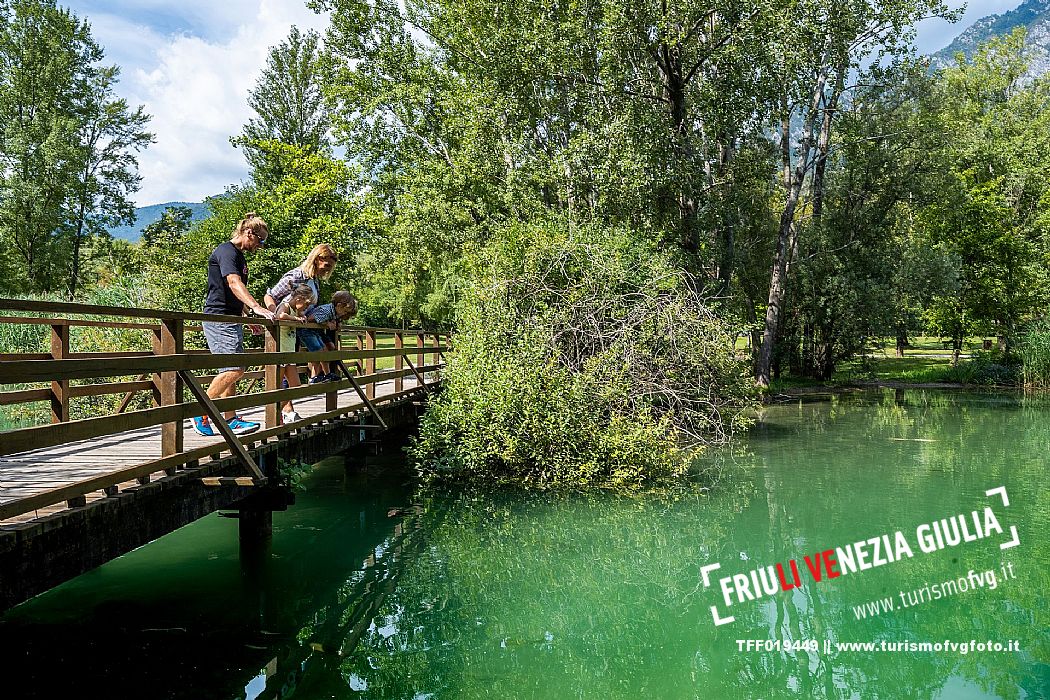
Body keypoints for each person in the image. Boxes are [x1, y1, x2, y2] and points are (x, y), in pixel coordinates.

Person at [192, 213, 276, 437]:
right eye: (260, 241)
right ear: (249, 233)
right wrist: (258, 308)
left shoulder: (238, 256)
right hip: (218, 318)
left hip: (230, 317)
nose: (260, 246)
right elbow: (233, 282)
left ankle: (230, 419)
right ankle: (200, 412)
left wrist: (247, 317)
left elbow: (232, 293)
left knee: (229, 369)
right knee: (235, 368)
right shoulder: (227, 251)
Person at [264, 244, 338, 398]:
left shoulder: (315, 281)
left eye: (330, 267)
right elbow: (270, 295)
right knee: (283, 368)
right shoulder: (297, 276)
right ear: (317, 259)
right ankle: (282, 411)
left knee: (291, 368)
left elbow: (310, 309)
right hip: (285, 330)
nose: (327, 270)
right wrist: (275, 317)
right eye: (326, 265)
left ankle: (286, 410)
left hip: (299, 329)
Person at [273, 283, 317, 423]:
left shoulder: (295, 309)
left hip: (290, 350)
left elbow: (299, 313)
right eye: (306, 305)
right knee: (277, 385)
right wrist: (295, 319)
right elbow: (279, 315)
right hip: (280, 350)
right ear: (299, 298)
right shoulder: (285, 305)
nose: (306, 308)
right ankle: (275, 416)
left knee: (295, 384)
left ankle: (280, 409)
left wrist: (302, 315)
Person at [303, 290, 358, 382]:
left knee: (325, 350)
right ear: (339, 306)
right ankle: (314, 377)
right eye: (345, 311)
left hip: (316, 332)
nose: (344, 314)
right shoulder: (326, 310)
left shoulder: (334, 312)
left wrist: (335, 323)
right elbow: (310, 318)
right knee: (319, 351)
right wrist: (326, 323)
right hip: (307, 331)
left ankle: (326, 374)